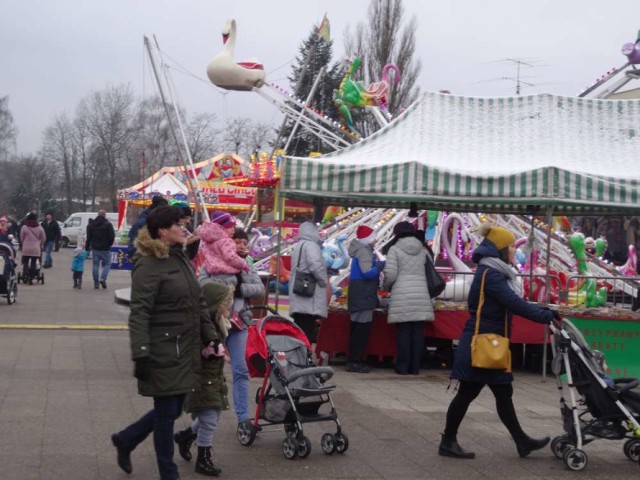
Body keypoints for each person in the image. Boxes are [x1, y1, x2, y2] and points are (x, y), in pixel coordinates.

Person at [111, 205, 218, 480]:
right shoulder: (148, 263)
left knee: (171, 408)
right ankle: (168, 473)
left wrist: (211, 335)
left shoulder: (179, 257)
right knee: (167, 413)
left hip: (186, 347)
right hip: (163, 349)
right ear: (163, 230)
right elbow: (140, 311)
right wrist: (141, 353)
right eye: (178, 224)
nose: (184, 228)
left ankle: (126, 438)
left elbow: (198, 301)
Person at [439, 224, 557, 460]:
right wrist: (544, 315)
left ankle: (521, 441)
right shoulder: (491, 274)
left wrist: (542, 310)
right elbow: (513, 302)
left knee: (503, 393)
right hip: (482, 344)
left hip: (491, 342)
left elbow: (511, 302)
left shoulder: (492, 271)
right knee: (467, 393)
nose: (514, 250)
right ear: (501, 249)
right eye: (511, 246)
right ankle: (448, 441)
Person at [174, 282, 232, 477]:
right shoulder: (202, 328)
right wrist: (205, 352)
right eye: (226, 304)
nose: (228, 309)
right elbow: (189, 352)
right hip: (201, 382)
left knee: (213, 415)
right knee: (208, 420)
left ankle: (186, 436)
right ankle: (203, 458)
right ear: (215, 305)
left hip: (212, 379)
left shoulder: (219, 325)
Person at [383, 221, 434, 375]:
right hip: (421, 293)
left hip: (402, 294)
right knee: (417, 332)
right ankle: (415, 367)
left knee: (404, 332)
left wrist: (386, 287)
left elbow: (390, 274)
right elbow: (430, 271)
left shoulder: (395, 249)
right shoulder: (423, 250)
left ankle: (403, 366)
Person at [227, 228, 264, 424]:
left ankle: (243, 419)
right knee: (210, 376)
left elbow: (260, 289)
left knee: (241, 371)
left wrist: (240, 288)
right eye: (237, 242)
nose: (241, 246)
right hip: (216, 324)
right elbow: (205, 284)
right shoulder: (216, 260)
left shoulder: (248, 264)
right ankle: (198, 425)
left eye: (244, 242)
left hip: (240, 324)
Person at [346, 225, 385, 374]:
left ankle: (354, 359)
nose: (376, 240)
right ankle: (354, 361)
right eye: (374, 237)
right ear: (368, 239)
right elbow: (367, 273)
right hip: (363, 293)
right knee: (361, 330)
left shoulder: (360, 250)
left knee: (356, 328)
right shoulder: (364, 251)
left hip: (359, 293)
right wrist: (380, 266)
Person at [289, 221, 329, 343]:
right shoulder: (311, 246)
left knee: (299, 328)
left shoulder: (298, 246)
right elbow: (315, 265)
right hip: (308, 297)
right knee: (306, 330)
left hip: (298, 292)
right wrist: (323, 280)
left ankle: (299, 355)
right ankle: (305, 357)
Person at [197, 211, 249, 285]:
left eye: (233, 227)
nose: (233, 230)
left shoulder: (209, 241)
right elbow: (230, 256)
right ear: (222, 228)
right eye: (230, 227)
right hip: (226, 274)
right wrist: (243, 264)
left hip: (212, 273)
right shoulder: (226, 241)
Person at [85, 210, 115, 289]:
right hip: (105, 248)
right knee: (107, 264)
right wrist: (109, 244)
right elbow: (112, 236)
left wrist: (87, 248)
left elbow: (89, 238)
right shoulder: (108, 224)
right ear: (105, 215)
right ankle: (103, 278)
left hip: (95, 248)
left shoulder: (91, 225)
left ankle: (96, 283)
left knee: (95, 265)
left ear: (97, 215)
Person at [19, 212, 45, 285]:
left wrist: (24, 243)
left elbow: (21, 237)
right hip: (36, 248)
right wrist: (41, 244)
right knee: (33, 263)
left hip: (26, 247)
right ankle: (31, 277)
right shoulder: (40, 227)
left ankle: (26, 274)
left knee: (25, 262)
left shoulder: (24, 227)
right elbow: (43, 238)